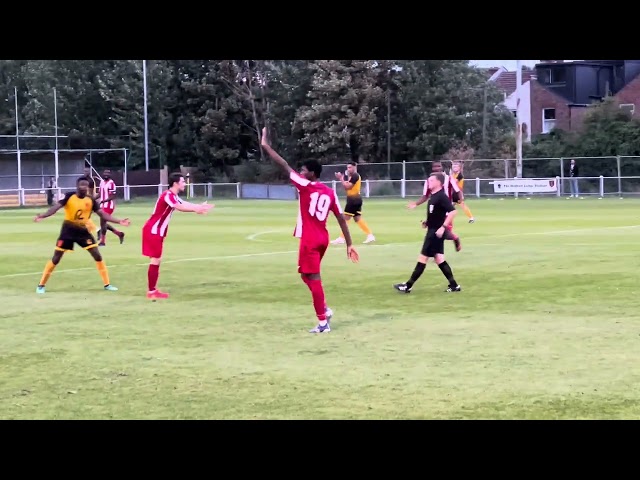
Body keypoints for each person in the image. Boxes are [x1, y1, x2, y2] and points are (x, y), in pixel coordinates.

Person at [260, 127, 359, 333]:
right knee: (306, 275)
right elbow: (341, 219)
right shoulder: (329, 192)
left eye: (304, 170)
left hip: (310, 239)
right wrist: (349, 243)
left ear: (312, 173)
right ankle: (324, 309)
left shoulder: (305, 185)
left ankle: (323, 321)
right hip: (322, 237)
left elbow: (284, 165)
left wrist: (266, 146)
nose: (301, 172)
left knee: (313, 278)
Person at [33, 176, 131, 294]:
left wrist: (119, 221)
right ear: (77, 186)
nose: (84, 187)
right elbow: (55, 208)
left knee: (97, 255)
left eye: (86, 185)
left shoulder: (91, 201)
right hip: (67, 231)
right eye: (82, 185)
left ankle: (107, 284)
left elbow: (103, 215)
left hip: (82, 232)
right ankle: (41, 285)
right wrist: (43, 215)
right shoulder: (69, 196)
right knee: (56, 258)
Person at [142, 172, 214, 300]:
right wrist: (196, 209)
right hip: (154, 230)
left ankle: (152, 290)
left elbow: (184, 203)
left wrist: (199, 207)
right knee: (155, 259)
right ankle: (151, 291)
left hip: (157, 230)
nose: (184, 184)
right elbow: (179, 206)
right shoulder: (168, 195)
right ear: (175, 183)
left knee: (156, 260)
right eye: (182, 181)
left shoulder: (172, 195)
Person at [394, 172, 461, 294]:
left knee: (423, 258)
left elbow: (452, 212)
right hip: (432, 230)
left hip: (434, 234)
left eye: (431, 181)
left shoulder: (441, 196)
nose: (428, 183)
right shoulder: (433, 196)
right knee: (439, 259)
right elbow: (436, 214)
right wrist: (427, 222)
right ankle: (454, 285)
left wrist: (443, 227)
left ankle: (408, 286)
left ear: (438, 183)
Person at [407, 161, 462, 252]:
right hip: (435, 210)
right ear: (432, 168)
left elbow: (457, 191)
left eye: (438, 166)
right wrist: (416, 204)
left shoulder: (449, 178)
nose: (437, 168)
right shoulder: (429, 181)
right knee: (436, 232)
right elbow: (426, 196)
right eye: (435, 166)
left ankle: (454, 239)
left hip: (447, 210)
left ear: (441, 167)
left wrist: (459, 201)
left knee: (443, 232)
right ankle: (437, 253)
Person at [331, 161, 375, 245]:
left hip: (353, 200)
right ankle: (370, 235)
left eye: (350, 167)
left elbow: (347, 187)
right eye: (347, 167)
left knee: (345, 219)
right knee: (357, 219)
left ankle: (342, 238)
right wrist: (343, 180)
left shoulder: (355, 175)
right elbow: (347, 186)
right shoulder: (352, 176)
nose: (348, 169)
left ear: (355, 167)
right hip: (355, 199)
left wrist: (341, 179)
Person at [98, 169, 125, 246]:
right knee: (103, 223)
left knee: (103, 223)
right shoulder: (102, 182)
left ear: (110, 175)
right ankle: (119, 233)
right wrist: (92, 198)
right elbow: (100, 194)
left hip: (108, 206)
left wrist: (103, 201)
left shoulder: (111, 183)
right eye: (105, 173)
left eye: (108, 173)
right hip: (102, 205)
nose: (106, 174)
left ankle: (102, 242)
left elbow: (112, 196)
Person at [81, 167, 100, 237]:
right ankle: (94, 230)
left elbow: (91, 193)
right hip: (84, 200)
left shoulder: (90, 181)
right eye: (84, 171)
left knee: (84, 217)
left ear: (89, 172)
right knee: (84, 217)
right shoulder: (84, 179)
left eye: (87, 171)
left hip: (88, 201)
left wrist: (91, 201)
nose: (85, 172)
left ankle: (95, 230)